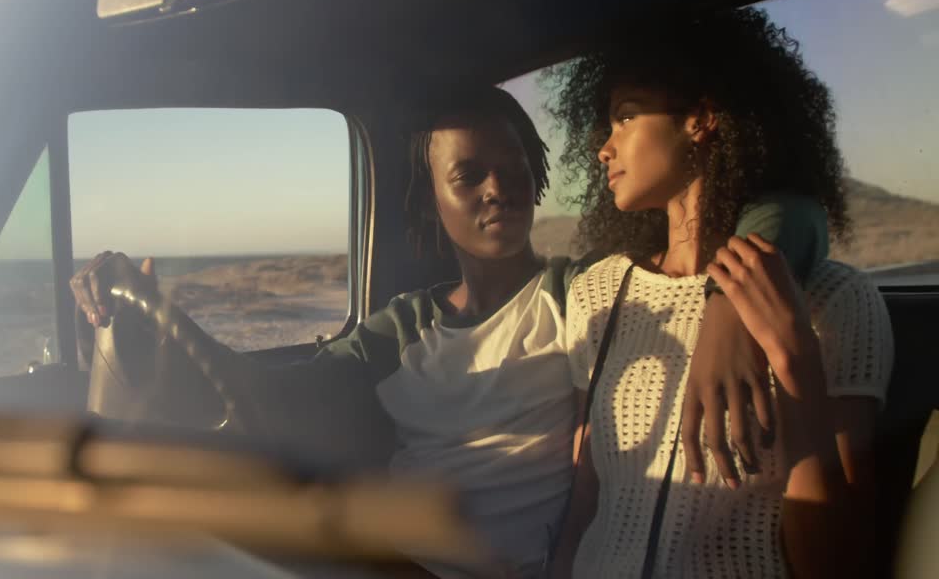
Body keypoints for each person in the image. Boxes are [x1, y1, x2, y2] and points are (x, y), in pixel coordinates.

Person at [72, 84, 826, 578]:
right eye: (469, 176)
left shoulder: (583, 294)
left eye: (512, 168)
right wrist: (146, 315)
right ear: (432, 201)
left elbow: (794, 211)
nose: (497, 188)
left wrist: (729, 301)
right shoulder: (401, 329)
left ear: (536, 175)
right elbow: (258, 390)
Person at [546, 8, 894, 578]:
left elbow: (840, 562)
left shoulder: (835, 299)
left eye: (625, 117)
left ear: (702, 119)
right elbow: (588, 494)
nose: (603, 150)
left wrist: (791, 357)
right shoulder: (599, 293)